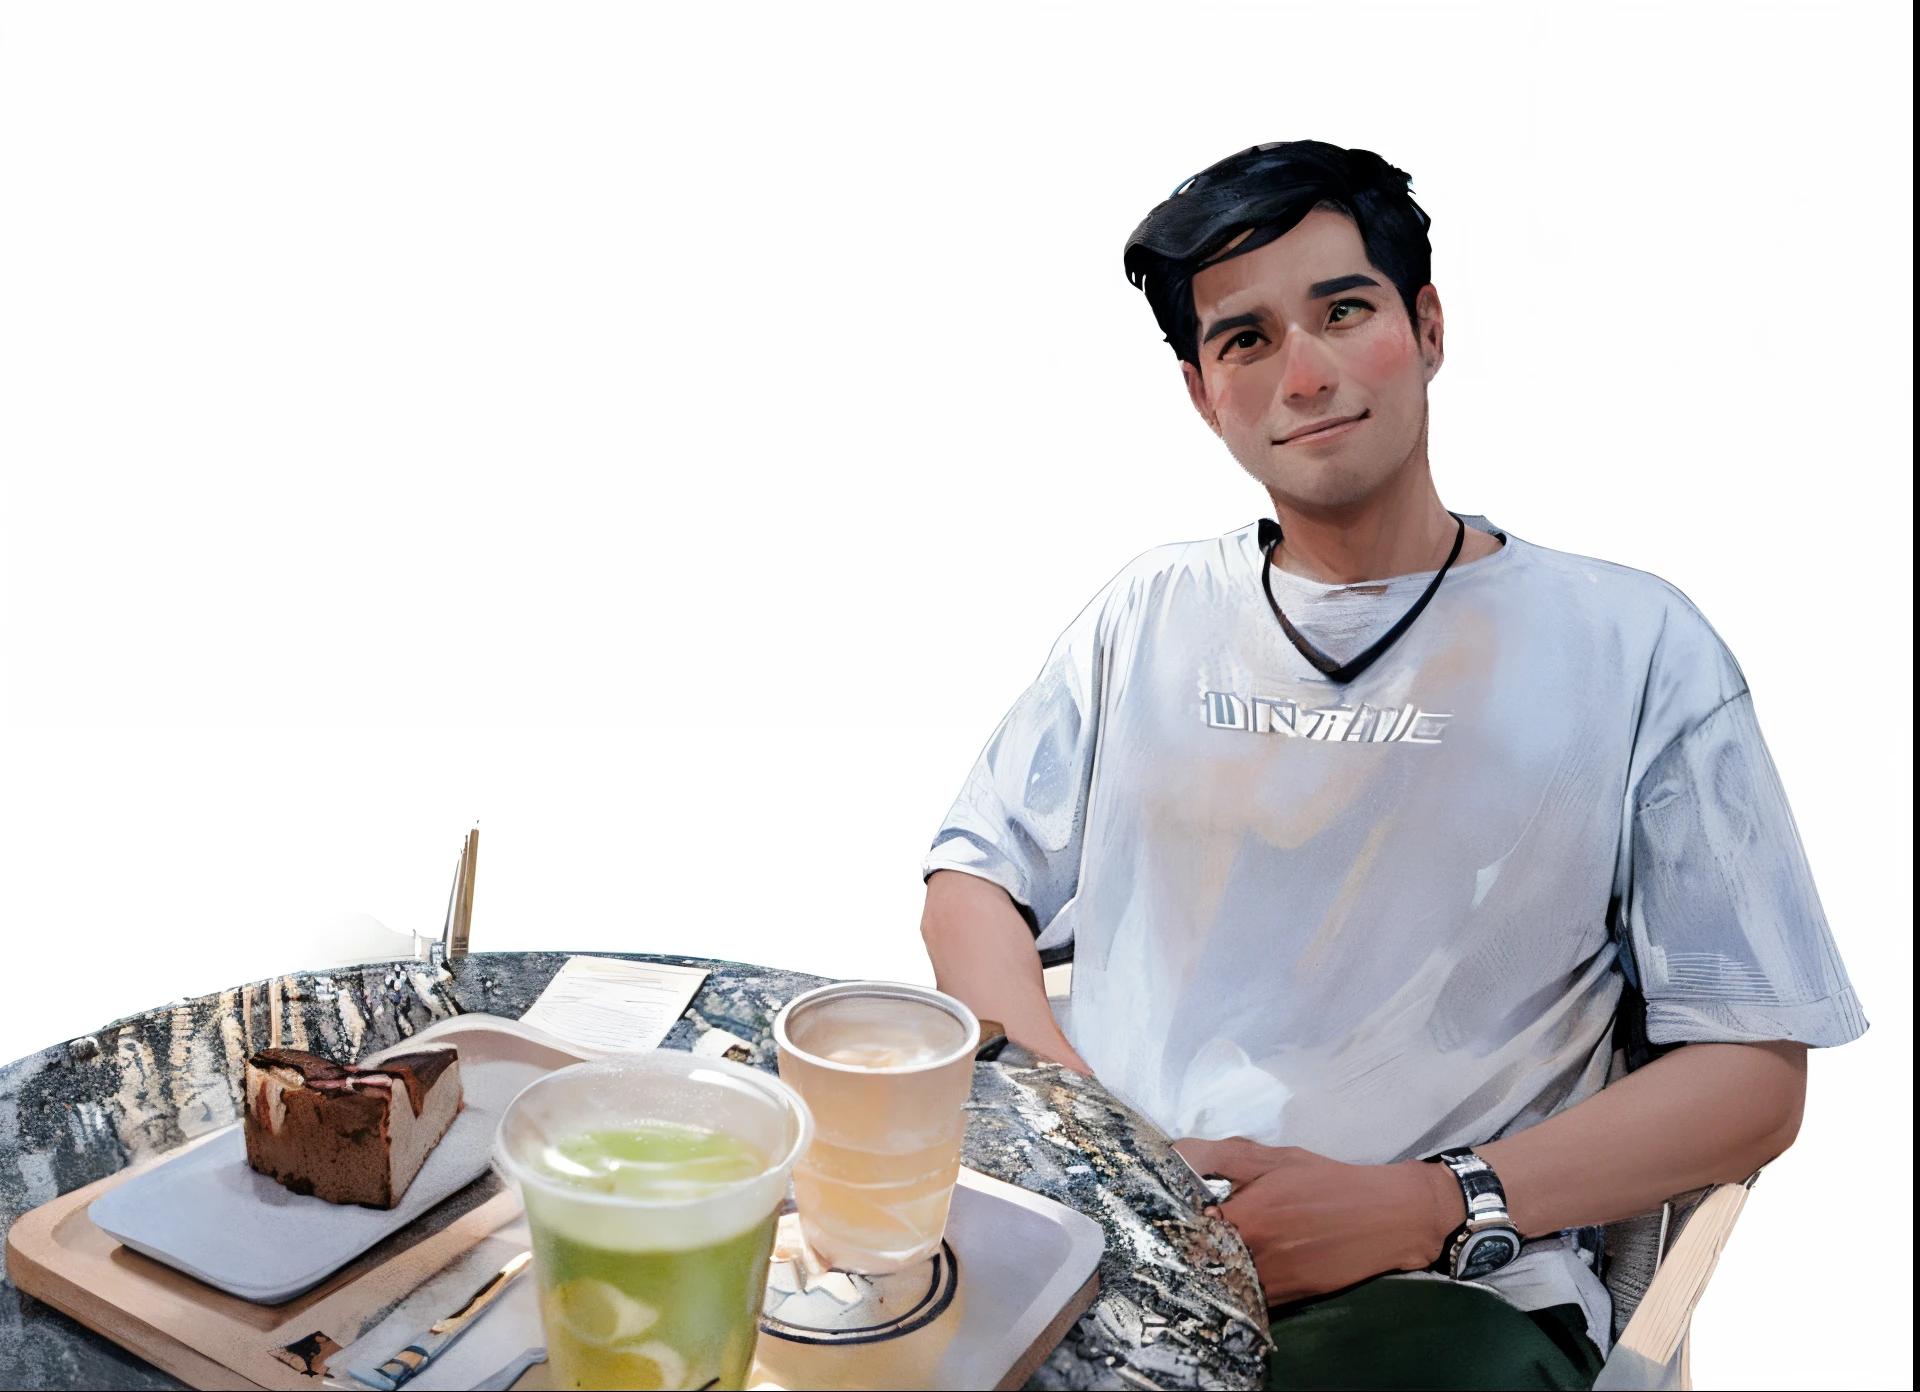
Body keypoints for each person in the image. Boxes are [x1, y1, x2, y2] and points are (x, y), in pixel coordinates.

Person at [918, 141, 1866, 1390]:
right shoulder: (1146, 614)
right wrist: (1097, 1135)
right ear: (1206, 395)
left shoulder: (1634, 645)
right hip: (1114, 1252)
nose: (1302, 375)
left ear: (1426, 326)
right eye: (1245, 340)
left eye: (1344, 311)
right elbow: (972, 883)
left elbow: (1753, 1076)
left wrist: (1434, 1202)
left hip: (1435, 1292)